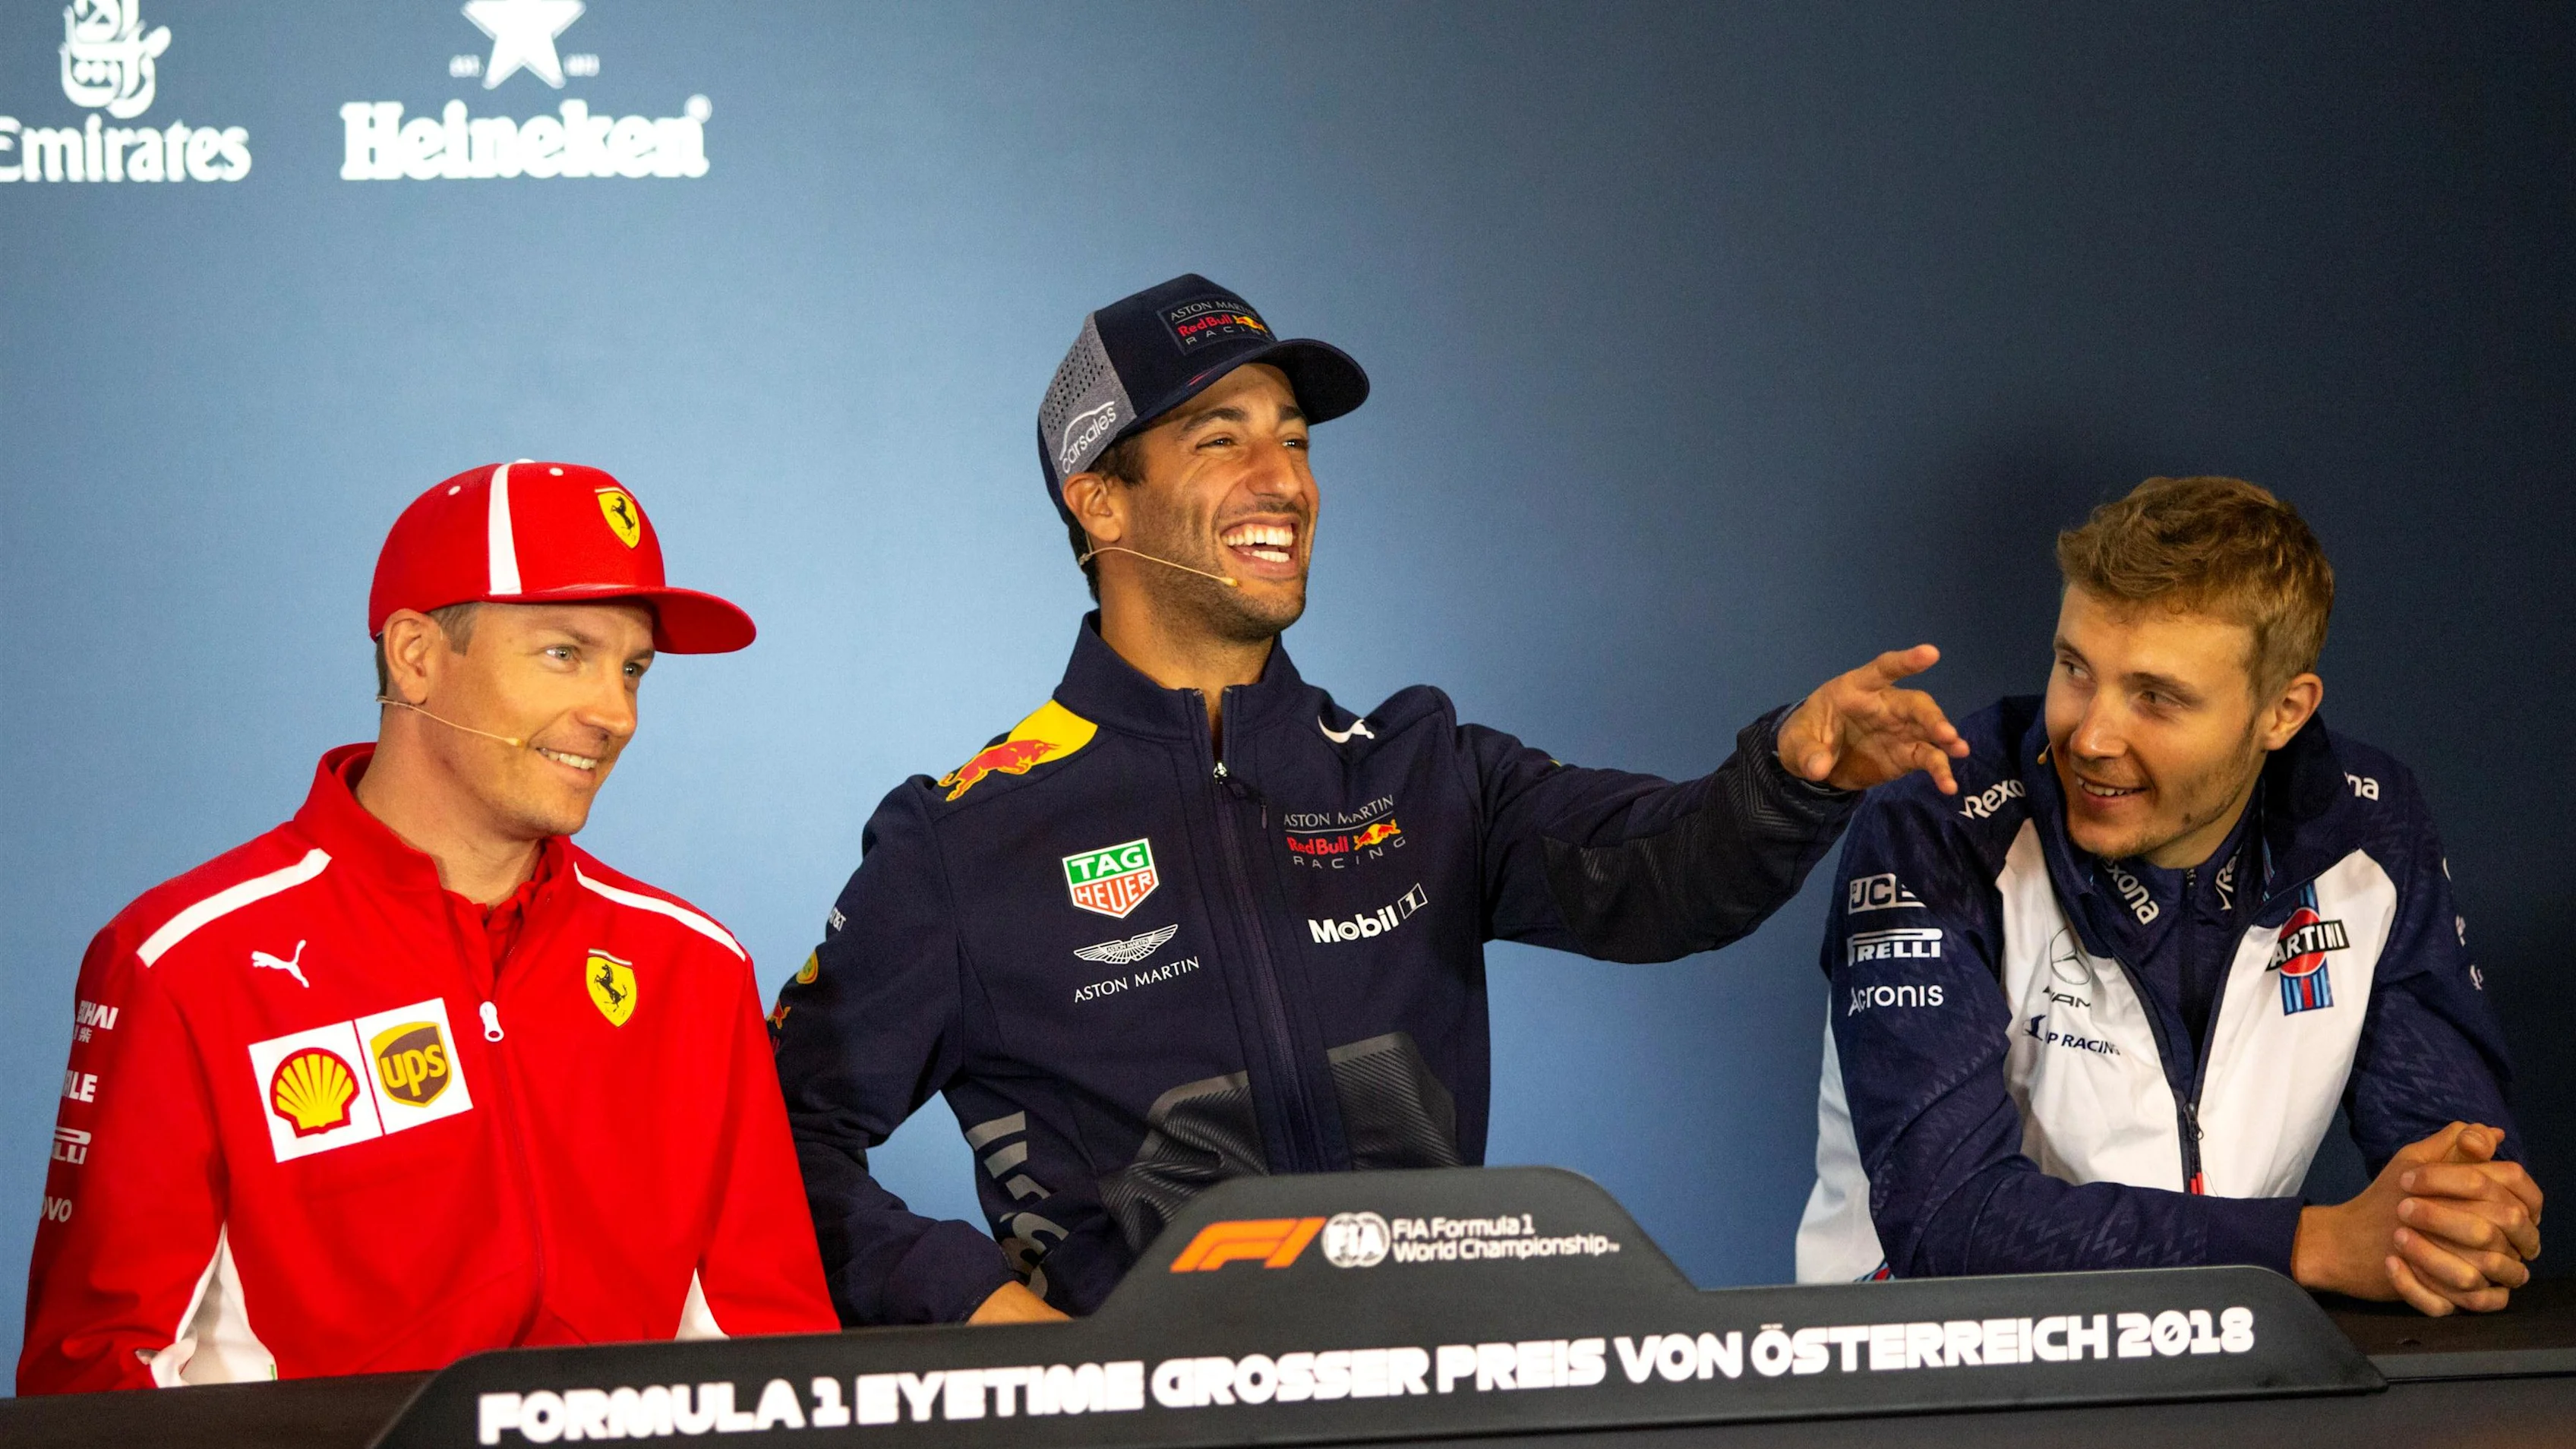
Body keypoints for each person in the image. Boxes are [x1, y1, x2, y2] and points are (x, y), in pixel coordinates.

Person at [771, 273, 1970, 1326]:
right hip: (1147, 1436)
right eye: (1220, 439)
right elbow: (777, 1143)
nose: (1283, 479)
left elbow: (1661, 880)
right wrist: (978, 1308)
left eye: (1294, 439)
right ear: (1100, 499)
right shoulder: (966, 839)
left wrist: (1790, 773)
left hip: (1434, 1408)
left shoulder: (1420, 766)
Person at [20, 462, 836, 1392]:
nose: (614, 713)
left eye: (633, 668)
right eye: (564, 653)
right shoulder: (183, 961)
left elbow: (768, 1366)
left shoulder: (692, 967)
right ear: (414, 654)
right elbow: (96, 1383)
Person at [1797, 475, 2541, 1315]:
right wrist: (2309, 1245)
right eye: (2074, 668)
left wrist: (2462, 1218)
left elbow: (2448, 1146)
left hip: (2224, 1375)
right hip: (1926, 1382)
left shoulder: (2367, 828)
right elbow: (1946, 1223)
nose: (2090, 735)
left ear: (2281, 712)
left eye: (2155, 696)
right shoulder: (1934, 823)